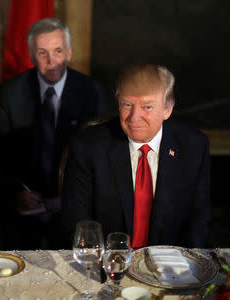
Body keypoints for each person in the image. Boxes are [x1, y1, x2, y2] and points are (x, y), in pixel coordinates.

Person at [61, 64, 210, 248]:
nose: (134, 117)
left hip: (171, 268)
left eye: (147, 106)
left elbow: (199, 223)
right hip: (108, 264)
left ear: (167, 109)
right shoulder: (88, 147)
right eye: (127, 104)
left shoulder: (193, 146)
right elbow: (76, 225)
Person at [0, 18, 106, 249]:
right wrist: (17, 191)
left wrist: (66, 198)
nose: (51, 61)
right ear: (32, 56)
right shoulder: (11, 92)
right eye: (42, 53)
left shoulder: (91, 92)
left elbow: (100, 157)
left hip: (74, 204)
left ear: (69, 52)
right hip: (23, 205)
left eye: (58, 51)